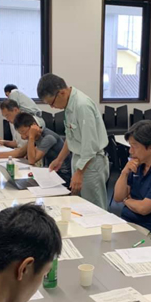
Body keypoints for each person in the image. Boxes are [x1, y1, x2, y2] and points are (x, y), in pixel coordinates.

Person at [37, 73, 109, 209]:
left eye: (51, 103)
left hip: (91, 163)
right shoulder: (69, 105)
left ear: (62, 93)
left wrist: (79, 172)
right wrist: (59, 159)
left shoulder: (82, 106)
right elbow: (71, 137)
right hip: (79, 160)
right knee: (80, 206)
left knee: (95, 209)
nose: (52, 107)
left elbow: (90, 145)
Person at [0, 113, 71, 185]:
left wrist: (31, 137)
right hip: (50, 172)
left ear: (33, 126)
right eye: (21, 134)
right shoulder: (36, 136)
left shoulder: (48, 138)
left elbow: (32, 160)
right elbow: (21, 152)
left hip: (62, 176)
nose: (23, 137)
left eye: (24, 132)